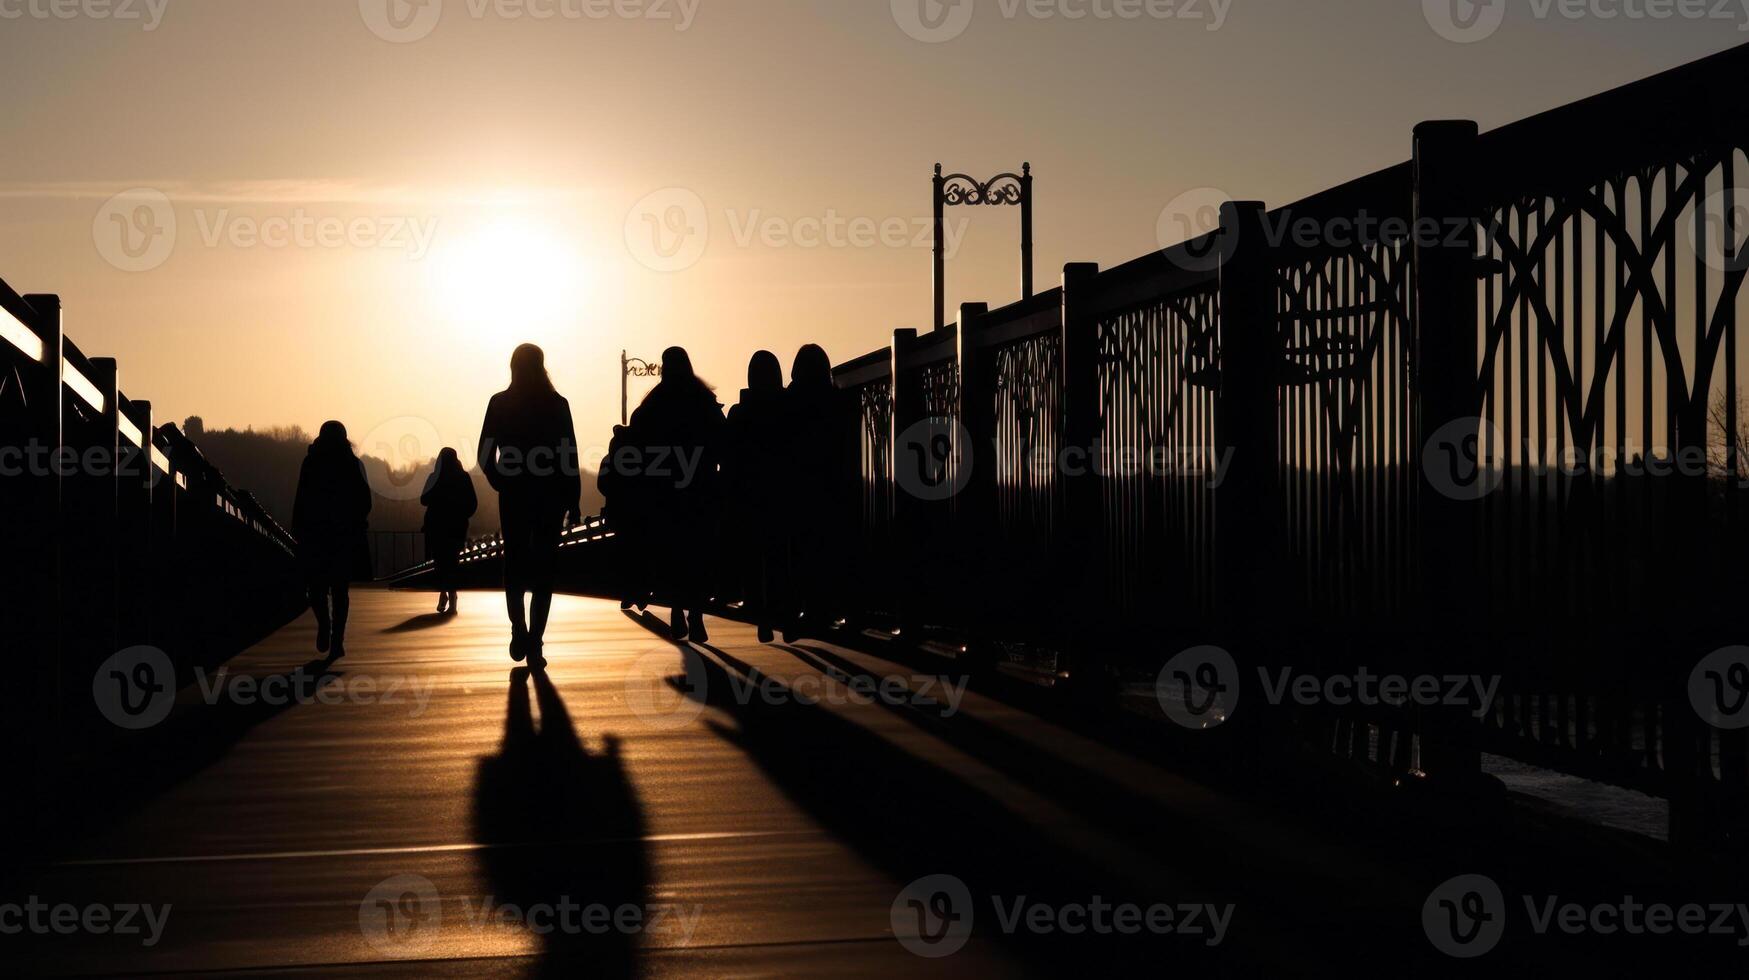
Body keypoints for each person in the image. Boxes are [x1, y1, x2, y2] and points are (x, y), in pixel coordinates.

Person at [478, 344, 583, 668]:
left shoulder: (500, 403)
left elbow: (484, 454)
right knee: (544, 571)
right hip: (550, 495)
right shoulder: (557, 404)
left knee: (515, 567)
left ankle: (518, 628)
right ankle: (536, 640)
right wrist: (573, 499)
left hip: (514, 495)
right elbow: (569, 455)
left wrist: (500, 481)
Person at [627, 346, 724, 642]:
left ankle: (677, 610)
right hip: (699, 488)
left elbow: (636, 447)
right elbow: (722, 441)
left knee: (672, 553)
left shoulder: (653, 405)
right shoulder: (703, 401)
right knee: (698, 553)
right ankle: (696, 614)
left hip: (664, 491)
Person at [781, 344, 856, 642]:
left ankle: (801, 611)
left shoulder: (790, 402)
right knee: (828, 551)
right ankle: (823, 611)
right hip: (830, 487)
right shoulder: (838, 401)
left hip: (797, 488)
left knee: (799, 552)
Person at [722, 351, 787, 642]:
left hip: (747, 493)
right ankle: (780, 609)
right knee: (777, 553)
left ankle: (757, 609)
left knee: (751, 552)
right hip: (779, 491)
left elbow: (727, 455)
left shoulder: (739, 413)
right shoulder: (787, 410)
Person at [292, 421, 372, 660]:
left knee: (316, 588)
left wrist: (298, 527)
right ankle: (337, 640)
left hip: (316, 534)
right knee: (340, 590)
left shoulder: (311, 462)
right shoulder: (354, 464)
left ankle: (324, 625)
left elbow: (302, 497)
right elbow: (365, 501)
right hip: (344, 535)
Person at [420, 447, 478, 614]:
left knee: (440, 562)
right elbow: (473, 503)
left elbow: (423, 500)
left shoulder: (434, 478)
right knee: (453, 562)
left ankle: (444, 593)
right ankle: (452, 595)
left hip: (437, 527)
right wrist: (462, 514)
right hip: (456, 527)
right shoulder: (463, 477)